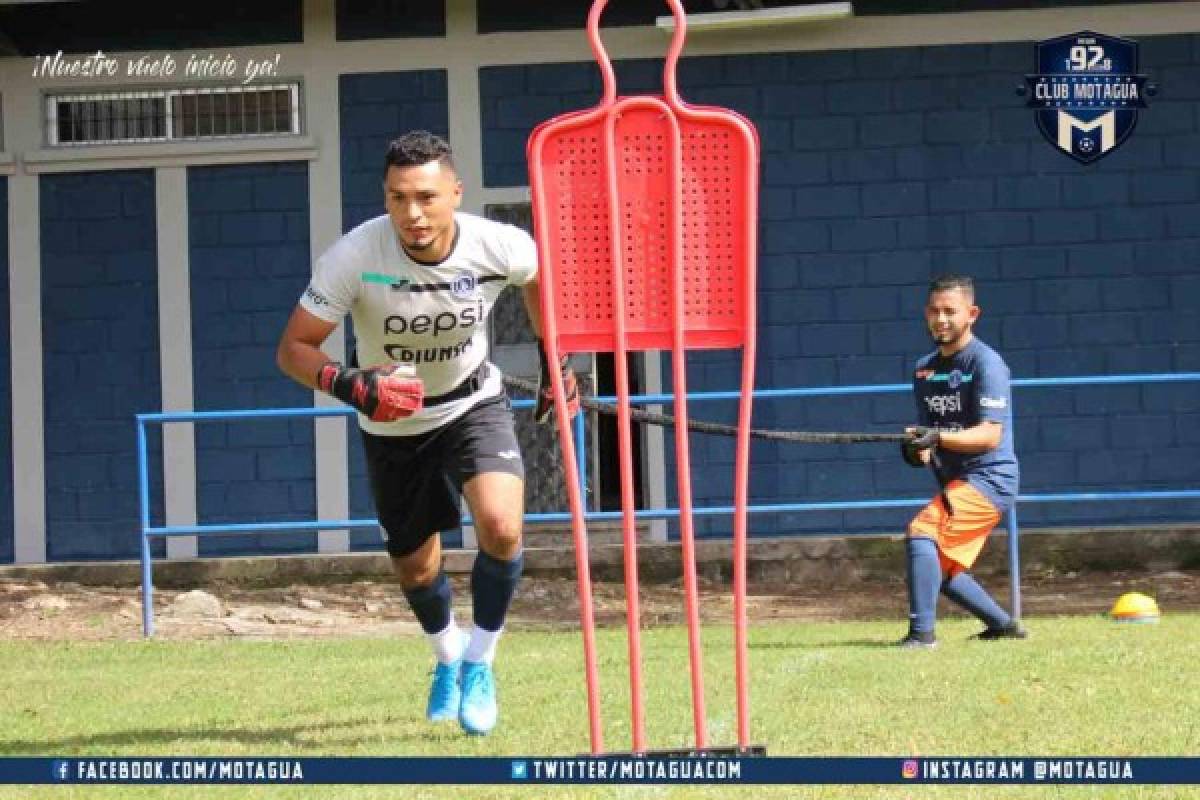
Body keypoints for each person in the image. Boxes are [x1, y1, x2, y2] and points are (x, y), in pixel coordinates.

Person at [276, 130, 578, 734]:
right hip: (393, 424)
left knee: (501, 524)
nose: (411, 213)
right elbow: (293, 349)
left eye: (425, 197)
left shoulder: (500, 244)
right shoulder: (355, 256)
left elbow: (538, 277)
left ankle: (481, 663)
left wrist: (556, 362)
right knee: (416, 568)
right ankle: (446, 658)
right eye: (397, 198)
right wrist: (353, 384)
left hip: (473, 403)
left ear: (455, 193)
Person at [898, 274, 1025, 648]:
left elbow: (989, 435)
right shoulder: (924, 369)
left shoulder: (987, 363)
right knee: (942, 568)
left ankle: (922, 636)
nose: (941, 319)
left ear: (972, 314)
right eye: (934, 311)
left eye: (950, 312)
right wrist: (916, 447)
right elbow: (927, 446)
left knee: (922, 531)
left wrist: (936, 437)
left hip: (991, 478)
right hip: (955, 480)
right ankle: (1004, 626)